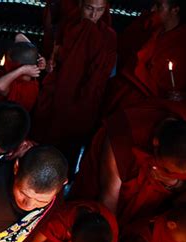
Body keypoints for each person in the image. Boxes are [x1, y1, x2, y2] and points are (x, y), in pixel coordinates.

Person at [71, 97, 186, 225]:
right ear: (155, 142)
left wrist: (174, 183)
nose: (168, 172)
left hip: (151, 204)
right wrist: (109, 233)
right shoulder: (125, 133)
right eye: (166, 167)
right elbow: (110, 194)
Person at [33, 0, 116, 170]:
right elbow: (55, 55)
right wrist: (50, 64)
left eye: (100, 10)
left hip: (81, 100)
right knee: (42, 141)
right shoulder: (69, 23)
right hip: (55, 91)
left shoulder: (107, 36)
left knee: (67, 149)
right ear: (80, 5)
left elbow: (99, 77)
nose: (94, 15)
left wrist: (83, 105)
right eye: (89, 8)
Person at [105, 0, 186, 113]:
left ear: (175, 10)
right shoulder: (152, 26)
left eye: (159, 6)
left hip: (152, 99)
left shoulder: (185, 39)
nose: (153, 9)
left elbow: (175, 84)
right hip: (128, 86)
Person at [0, 36, 43, 113]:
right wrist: (37, 56)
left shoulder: (25, 88)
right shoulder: (32, 69)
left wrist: (22, 70)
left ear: (16, 64)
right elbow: (18, 36)